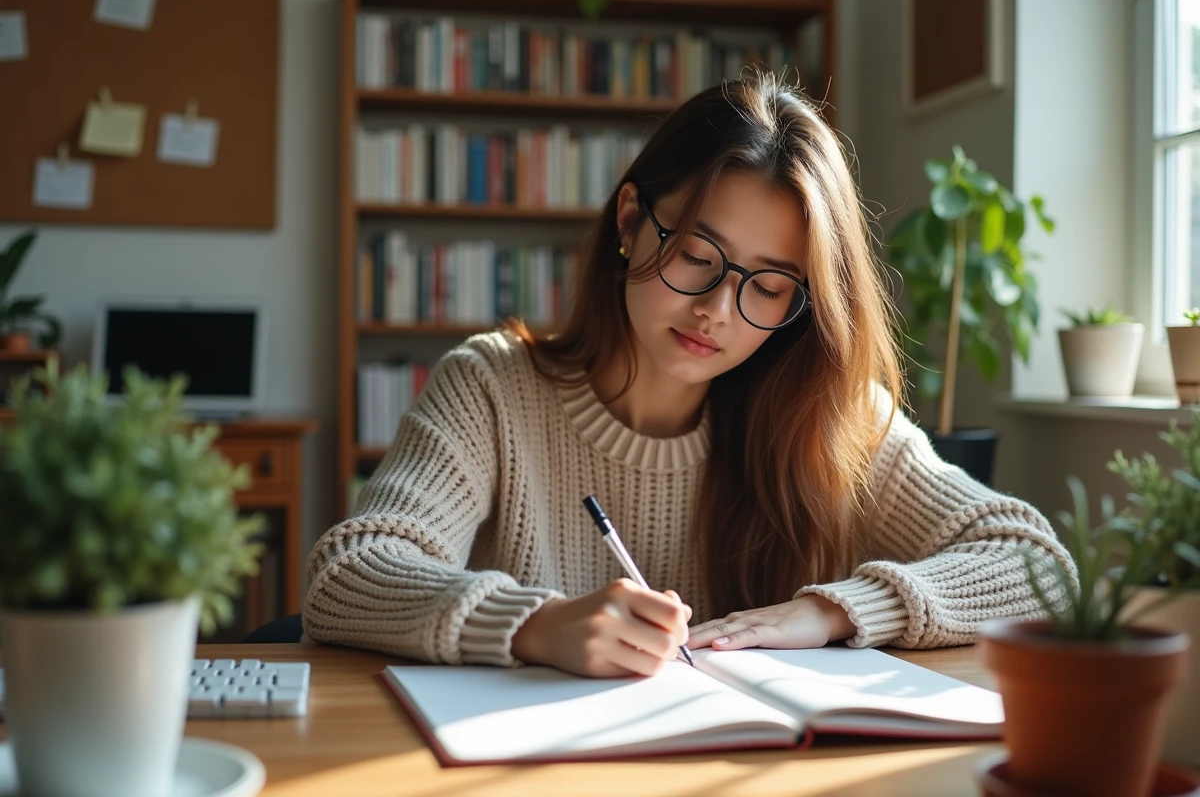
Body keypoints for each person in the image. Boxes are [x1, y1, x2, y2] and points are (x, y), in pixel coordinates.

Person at [303, 72, 1073, 678]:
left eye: (769, 286)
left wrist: (834, 612)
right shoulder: (491, 390)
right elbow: (348, 575)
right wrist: (535, 626)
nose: (718, 310)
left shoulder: (834, 417)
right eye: (698, 257)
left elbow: (1037, 564)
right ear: (632, 221)